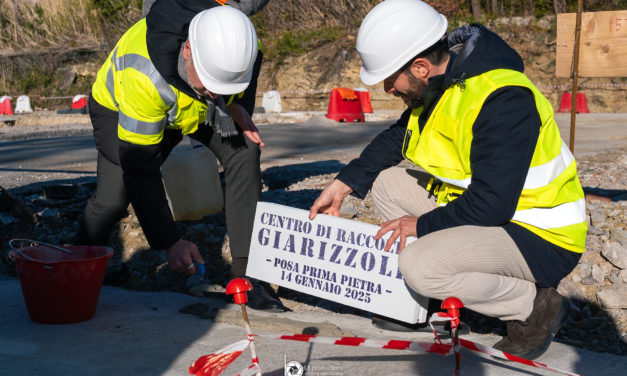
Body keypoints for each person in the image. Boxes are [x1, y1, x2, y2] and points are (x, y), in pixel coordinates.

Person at [309, 0, 586, 360]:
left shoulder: (503, 99)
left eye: (391, 80)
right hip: (502, 213)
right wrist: (343, 184)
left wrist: (420, 225)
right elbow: (398, 138)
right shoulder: (442, 86)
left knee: (419, 265)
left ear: (421, 67)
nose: (388, 90)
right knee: (388, 183)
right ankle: (430, 301)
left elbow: (491, 203)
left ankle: (533, 306)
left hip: (541, 232)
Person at [77, 0, 285, 312]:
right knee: (115, 194)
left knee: (244, 150)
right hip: (121, 107)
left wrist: (238, 102)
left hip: (190, 106)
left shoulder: (238, 39)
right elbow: (141, 169)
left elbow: (240, 74)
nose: (216, 93)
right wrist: (170, 241)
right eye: (211, 82)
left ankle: (249, 278)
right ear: (188, 50)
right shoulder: (143, 75)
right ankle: (76, 262)